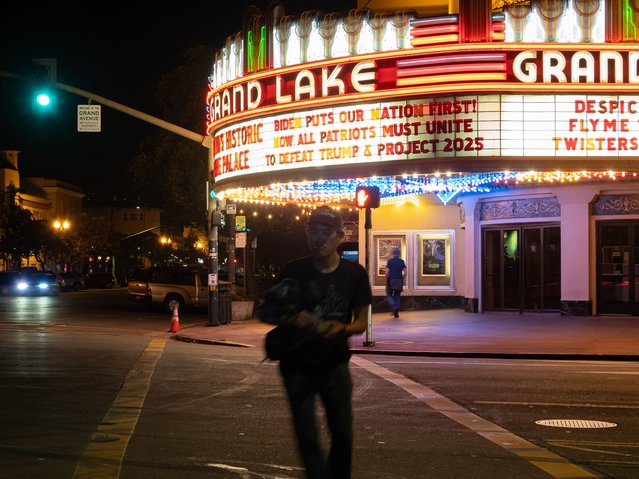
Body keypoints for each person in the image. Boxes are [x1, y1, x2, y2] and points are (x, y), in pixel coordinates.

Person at [259, 205, 372, 479]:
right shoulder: (293, 270)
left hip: (335, 366)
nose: (317, 239)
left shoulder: (354, 274)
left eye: (325, 232)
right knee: (307, 439)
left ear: (339, 236)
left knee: (343, 436)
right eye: (313, 231)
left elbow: (361, 321)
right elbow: (266, 311)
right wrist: (291, 317)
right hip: (296, 368)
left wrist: (342, 328)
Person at [385, 246, 406, 318]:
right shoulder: (402, 261)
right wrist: (402, 278)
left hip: (391, 280)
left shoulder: (390, 261)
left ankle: (394, 305)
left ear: (392, 253)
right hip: (399, 280)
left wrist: (387, 278)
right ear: (399, 254)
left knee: (389, 294)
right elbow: (405, 272)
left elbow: (387, 272)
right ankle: (396, 310)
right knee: (397, 295)